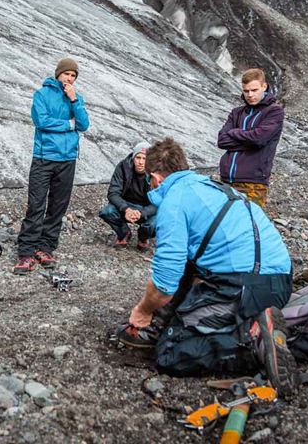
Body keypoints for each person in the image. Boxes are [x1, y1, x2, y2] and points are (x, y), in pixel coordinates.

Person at [117, 138, 297, 395]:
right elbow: (190, 267)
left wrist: (143, 311)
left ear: (156, 178)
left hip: (245, 285)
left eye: (150, 181)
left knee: (171, 352)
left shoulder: (174, 201)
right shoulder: (214, 187)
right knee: (191, 276)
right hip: (280, 281)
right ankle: (262, 325)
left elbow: (165, 283)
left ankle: (252, 337)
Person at [14, 58, 90, 274]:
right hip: (44, 157)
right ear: (58, 74)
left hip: (67, 160)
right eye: (67, 74)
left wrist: (74, 101)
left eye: (73, 76)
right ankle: (26, 252)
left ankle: (45, 247)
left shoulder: (76, 98)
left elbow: (84, 125)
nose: (70, 78)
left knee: (58, 206)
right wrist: (68, 124)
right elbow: (42, 122)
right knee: (36, 205)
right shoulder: (42, 94)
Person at [216, 68, 284, 208]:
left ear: (264, 86)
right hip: (226, 181)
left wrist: (234, 132)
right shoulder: (237, 113)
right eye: (246, 91)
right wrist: (249, 138)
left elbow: (259, 139)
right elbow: (222, 141)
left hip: (252, 183)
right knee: (224, 226)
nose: (250, 95)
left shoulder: (274, 111)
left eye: (254, 90)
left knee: (250, 225)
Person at [98, 141, 156, 251]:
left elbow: (159, 202)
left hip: (146, 208)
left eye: (145, 159)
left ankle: (143, 237)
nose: (141, 162)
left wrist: (142, 213)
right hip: (126, 205)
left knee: (159, 221)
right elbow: (113, 192)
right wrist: (126, 209)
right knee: (107, 212)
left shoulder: (156, 173)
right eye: (138, 158)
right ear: (133, 157)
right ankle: (124, 232)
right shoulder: (123, 167)